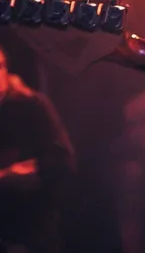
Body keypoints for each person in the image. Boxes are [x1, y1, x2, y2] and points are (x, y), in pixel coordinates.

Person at [0, 45, 75, 253]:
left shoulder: (31, 106)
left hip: (31, 233)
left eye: (0, 67)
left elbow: (63, 161)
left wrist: (34, 171)